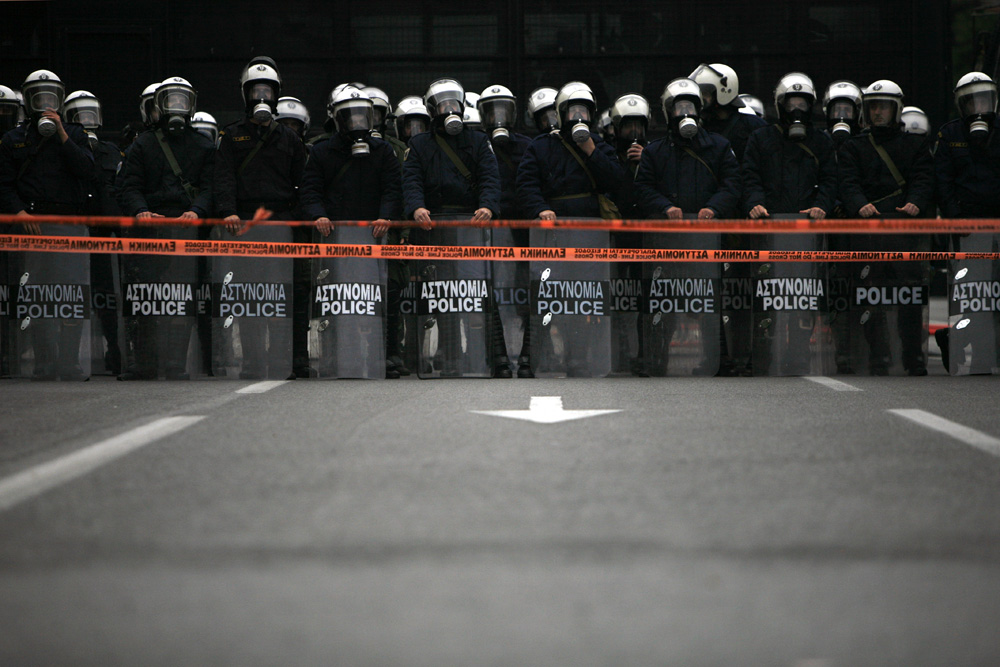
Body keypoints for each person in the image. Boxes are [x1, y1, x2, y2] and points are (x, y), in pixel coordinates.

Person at [633, 76, 741, 376]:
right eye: (679, 107)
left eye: (690, 106)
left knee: (708, 300)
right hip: (666, 242)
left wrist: (713, 207)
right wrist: (664, 207)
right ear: (669, 113)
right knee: (660, 299)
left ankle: (717, 360)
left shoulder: (719, 146)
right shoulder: (655, 151)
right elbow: (642, 189)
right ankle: (654, 360)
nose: (685, 113)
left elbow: (733, 185)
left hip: (706, 241)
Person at [402, 77, 505, 377]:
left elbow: (489, 176)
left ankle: (494, 356)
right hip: (434, 227)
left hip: (471, 225)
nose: (449, 108)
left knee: (478, 290)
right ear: (433, 110)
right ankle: (450, 354)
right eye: (442, 104)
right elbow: (411, 181)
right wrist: (416, 207)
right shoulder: (419, 144)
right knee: (441, 292)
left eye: (453, 102)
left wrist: (487, 205)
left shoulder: (477, 140)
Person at [212, 59, 307, 379]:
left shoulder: (290, 138)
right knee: (249, 296)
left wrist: (291, 219)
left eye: (267, 90)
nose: (261, 96)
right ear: (245, 95)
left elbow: (302, 183)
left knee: (280, 295)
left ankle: (281, 360)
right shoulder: (232, 135)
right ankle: (253, 362)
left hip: (280, 225)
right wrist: (228, 211)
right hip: (244, 225)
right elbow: (223, 177)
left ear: (277, 94)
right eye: (256, 91)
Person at [299, 85, 402, 378]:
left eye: (363, 117)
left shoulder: (383, 150)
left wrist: (386, 217)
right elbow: (310, 190)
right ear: (336, 118)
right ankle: (333, 359)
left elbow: (393, 190)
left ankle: (380, 359)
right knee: (336, 299)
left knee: (373, 299)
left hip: (373, 239)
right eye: (350, 117)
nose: (357, 123)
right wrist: (317, 215)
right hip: (335, 240)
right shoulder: (321, 151)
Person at [118, 76, 215, 380]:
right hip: (148, 229)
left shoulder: (203, 144)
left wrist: (196, 211)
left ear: (191, 106)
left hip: (186, 229)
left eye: (182, 101)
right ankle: (144, 363)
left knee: (181, 297)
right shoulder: (142, 144)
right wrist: (141, 210)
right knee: (145, 297)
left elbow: (212, 187)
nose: (176, 107)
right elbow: (128, 186)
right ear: (157, 106)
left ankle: (175, 364)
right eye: (170, 100)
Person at [0, 70, 95, 380]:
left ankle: (69, 362)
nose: (44, 102)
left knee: (71, 293)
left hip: (68, 223)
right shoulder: (13, 139)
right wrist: (19, 213)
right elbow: (3, 184)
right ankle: (44, 363)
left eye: (50, 96)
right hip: (32, 223)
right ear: (27, 100)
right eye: (38, 96)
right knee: (38, 294)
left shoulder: (76, 133)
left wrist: (62, 134)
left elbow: (87, 171)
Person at [742, 72, 838, 375]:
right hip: (768, 230)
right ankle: (767, 352)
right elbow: (749, 176)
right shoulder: (761, 138)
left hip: (805, 232)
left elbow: (831, 180)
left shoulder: (821, 141)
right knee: (768, 292)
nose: (796, 109)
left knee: (802, 293)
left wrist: (822, 206)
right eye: (791, 103)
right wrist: (754, 202)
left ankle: (798, 352)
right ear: (779, 105)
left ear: (812, 107)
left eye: (802, 103)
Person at [837, 79, 935, 375]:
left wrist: (916, 202)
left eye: (883, 107)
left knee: (909, 295)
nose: (877, 112)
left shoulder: (914, 144)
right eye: (873, 107)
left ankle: (913, 356)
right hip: (867, 233)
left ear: (897, 109)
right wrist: (858, 204)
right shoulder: (854, 146)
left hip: (904, 232)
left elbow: (924, 178)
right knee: (870, 294)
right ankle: (878, 356)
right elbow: (847, 181)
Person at [933, 72, 1000, 373]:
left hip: (998, 225)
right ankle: (957, 340)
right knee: (972, 294)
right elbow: (942, 183)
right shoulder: (950, 135)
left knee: (995, 292)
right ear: (962, 105)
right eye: (971, 101)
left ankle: (986, 355)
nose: (979, 106)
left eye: (983, 99)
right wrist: (954, 220)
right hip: (966, 229)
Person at [64, 89, 125, 375]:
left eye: (92, 114)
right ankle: (72, 357)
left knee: (108, 298)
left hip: (104, 235)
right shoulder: (62, 147)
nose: (88, 121)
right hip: (76, 232)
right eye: (80, 115)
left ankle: (115, 352)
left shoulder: (110, 151)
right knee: (74, 297)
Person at [479, 84, 533, 377]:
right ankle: (497, 354)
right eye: (491, 110)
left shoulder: (526, 145)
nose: (498, 115)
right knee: (490, 290)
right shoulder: (475, 143)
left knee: (525, 290)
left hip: (522, 229)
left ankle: (529, 353)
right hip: (488, 226)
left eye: (504, 109)